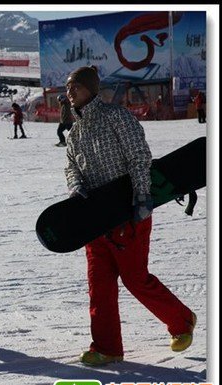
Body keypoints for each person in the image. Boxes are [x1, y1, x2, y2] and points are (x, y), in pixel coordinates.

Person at [63, 66, 196, 366]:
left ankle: (182, 320)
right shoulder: (74, 133)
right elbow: (71, 166)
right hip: (95, 218)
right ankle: (107, 347)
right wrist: (76, 187)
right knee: (100, 285)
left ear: (91, 89)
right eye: (68, 87)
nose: (69, 92)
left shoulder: (116, 117)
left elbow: (139, 157)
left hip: (129, 213)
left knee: (135, 279)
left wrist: (142, 197)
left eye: (75, 86)